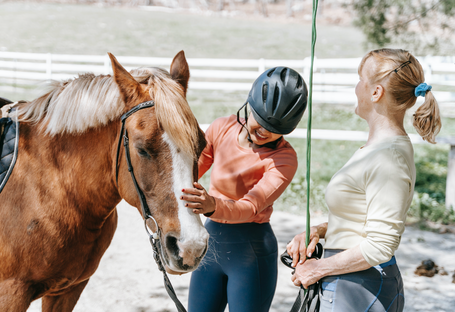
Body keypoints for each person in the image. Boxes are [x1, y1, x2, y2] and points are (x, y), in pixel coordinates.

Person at [286, 48, 441, 312]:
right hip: (352, 282)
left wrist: (317, 269)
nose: (356, 87)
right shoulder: (378, 150)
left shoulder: (389, 157)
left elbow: (380, 245)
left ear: (376, 92)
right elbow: (363, 216)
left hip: (357, 288)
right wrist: (319, 230)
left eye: (361, 79)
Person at [180, 67, 308, 312]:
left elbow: (250, 207)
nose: (262, 132)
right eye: (259, 122)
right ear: (249, 106)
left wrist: (212, 205)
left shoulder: (284, 159)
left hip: (251, 252)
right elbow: (190, 171)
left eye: (273, 130)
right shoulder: (221, 128)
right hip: (212, 244)